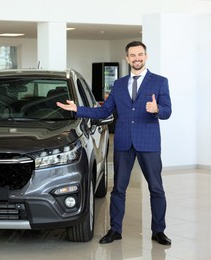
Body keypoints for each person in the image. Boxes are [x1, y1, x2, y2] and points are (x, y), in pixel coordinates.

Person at [56, 41, 172, 246]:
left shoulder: (160, 82)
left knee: (156, 188)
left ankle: (159, 231)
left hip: (149, 143)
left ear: (146, 56)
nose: (137, 58)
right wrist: (77, 109)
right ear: (127, 58)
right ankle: (115, 229)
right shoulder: (118, 85)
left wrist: (157, 110)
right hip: (124, 143)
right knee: (118, 189)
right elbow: (103, 111)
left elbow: (167, 111)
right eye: (132, 55)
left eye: (140, 54)